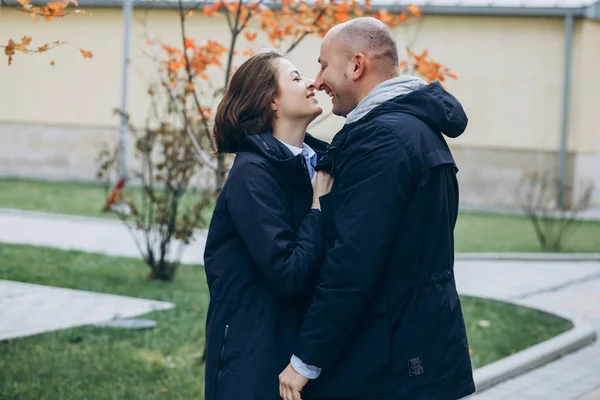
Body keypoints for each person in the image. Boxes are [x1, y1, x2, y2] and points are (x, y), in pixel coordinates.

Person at [279, 17, 476, 400]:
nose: (317, 81)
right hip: (419, 349)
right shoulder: (415, 129)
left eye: (322, 66)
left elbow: (352, 262)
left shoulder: (383, 141)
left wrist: (305, 360)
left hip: (389, 361)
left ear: (356, 66)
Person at [203, 50, 334, 400]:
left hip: (301, 353)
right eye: (295, 78)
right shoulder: (252, 174)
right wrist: (318, 209)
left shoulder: (319, 163)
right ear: (271, 101)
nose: (311, 82)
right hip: (254, 359)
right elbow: (287, 272)